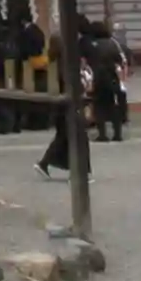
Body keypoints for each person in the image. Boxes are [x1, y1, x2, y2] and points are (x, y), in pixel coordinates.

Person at [35, 19, 96, 182]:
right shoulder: (67, 64)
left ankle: (45, 163)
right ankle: (80, 172)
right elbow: (74, 83)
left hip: (60, 105)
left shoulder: (53, 62)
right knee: (78, 138)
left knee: (63, 138)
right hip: (70, 104)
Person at [89, 21, 129, 143]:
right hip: (112, 76)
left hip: (98, 77)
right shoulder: (113, 43)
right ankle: (117, 133)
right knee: (114, 105)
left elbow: (87, 60)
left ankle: (102, 134)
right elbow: (121, 59)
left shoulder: (93, 44)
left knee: (99, 106)